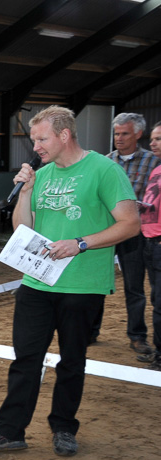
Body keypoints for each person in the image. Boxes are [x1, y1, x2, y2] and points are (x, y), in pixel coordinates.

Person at [0, 105, 139, 457]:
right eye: (34, 140)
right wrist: (28, 190)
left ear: (64, 135)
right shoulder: (43, 175)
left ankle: (64, 427)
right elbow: (22, 228)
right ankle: (9, 430)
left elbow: (129, 223)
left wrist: (80, 244)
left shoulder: (104, 170)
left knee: (72, 360)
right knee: (25, 359)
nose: (36, 147)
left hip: (83, 284)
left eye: (42, 139)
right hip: (36, 284)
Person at [107, 112, 159, 359]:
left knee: (134, 287)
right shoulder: (105, 162)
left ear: (138, 134)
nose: (119, 138)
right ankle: (90, 331)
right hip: (104, 231)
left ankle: (137, 336)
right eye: (116, 133)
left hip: (134, 234)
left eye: (124, 133)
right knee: (96, 283)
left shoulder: (153, 162)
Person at [138, 120, 161, 370]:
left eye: (158, 139)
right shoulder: (156, 170)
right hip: (150, 242)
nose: (152, 143)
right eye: (152, 138)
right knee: (157, 301)